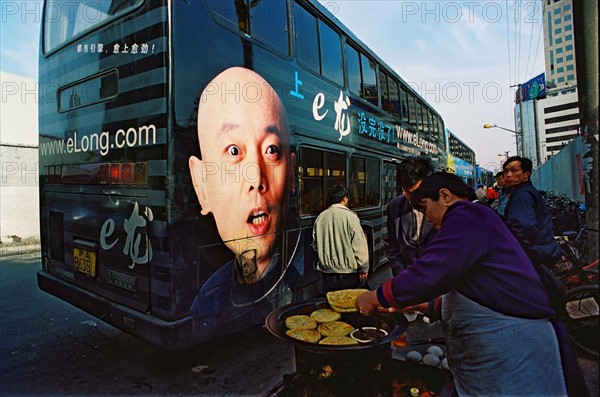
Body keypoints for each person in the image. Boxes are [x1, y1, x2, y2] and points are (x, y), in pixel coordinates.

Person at [355, 172, 589, 397]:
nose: (427, 218)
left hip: (513, 347)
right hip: (503, 348)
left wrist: (376, 297)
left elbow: (432, 269)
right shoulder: (477, 217)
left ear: (445, 196)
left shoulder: (467, 215)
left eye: (425, 207)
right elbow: (479, 285)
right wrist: (429, 306)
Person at [188, 67, 318, 332]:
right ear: (202, 185)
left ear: (291, 174)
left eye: (272, 150)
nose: (256, 178)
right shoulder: (207, 300)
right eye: (234, 151)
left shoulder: (316, 269)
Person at [502, 156, 562, 267]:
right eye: (506, 171)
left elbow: (524, 226)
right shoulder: (525, 191)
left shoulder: (522, 195)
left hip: (536, 251)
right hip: (544, 248)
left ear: (526, 174)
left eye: (514, 170)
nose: (508, 175)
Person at [312, 185, 369, 293]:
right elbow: (359, 245)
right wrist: (364, 268)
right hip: (348, 274)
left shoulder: (320, 218)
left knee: (330, 304)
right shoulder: (351, 217)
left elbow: (315, 245)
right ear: (345, 198)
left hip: (326, 273)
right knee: (346, 304)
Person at [385, 156, 436, 276]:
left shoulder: (443, 207)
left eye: (415, 191)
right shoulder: (394, 207)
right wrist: (402, 276)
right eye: (406, 191)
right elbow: (392, 246)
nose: (410, 196)